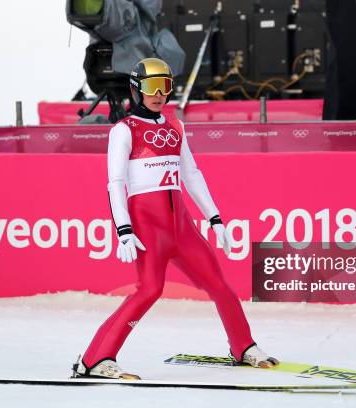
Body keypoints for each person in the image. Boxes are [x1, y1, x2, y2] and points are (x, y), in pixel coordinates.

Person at [73, 57, 277, 379]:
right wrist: (124, 230)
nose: (159, 94)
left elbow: (192, 174)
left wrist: (215, 219)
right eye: (152, 87)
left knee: (219, 284)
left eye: (165, 87)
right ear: (136, 89)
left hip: (181, 227)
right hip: (147, 227)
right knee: (149, 291)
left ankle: (244, 346)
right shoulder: (124, 131)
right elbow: (116, 184)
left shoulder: (175, 128)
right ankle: (96, 358)